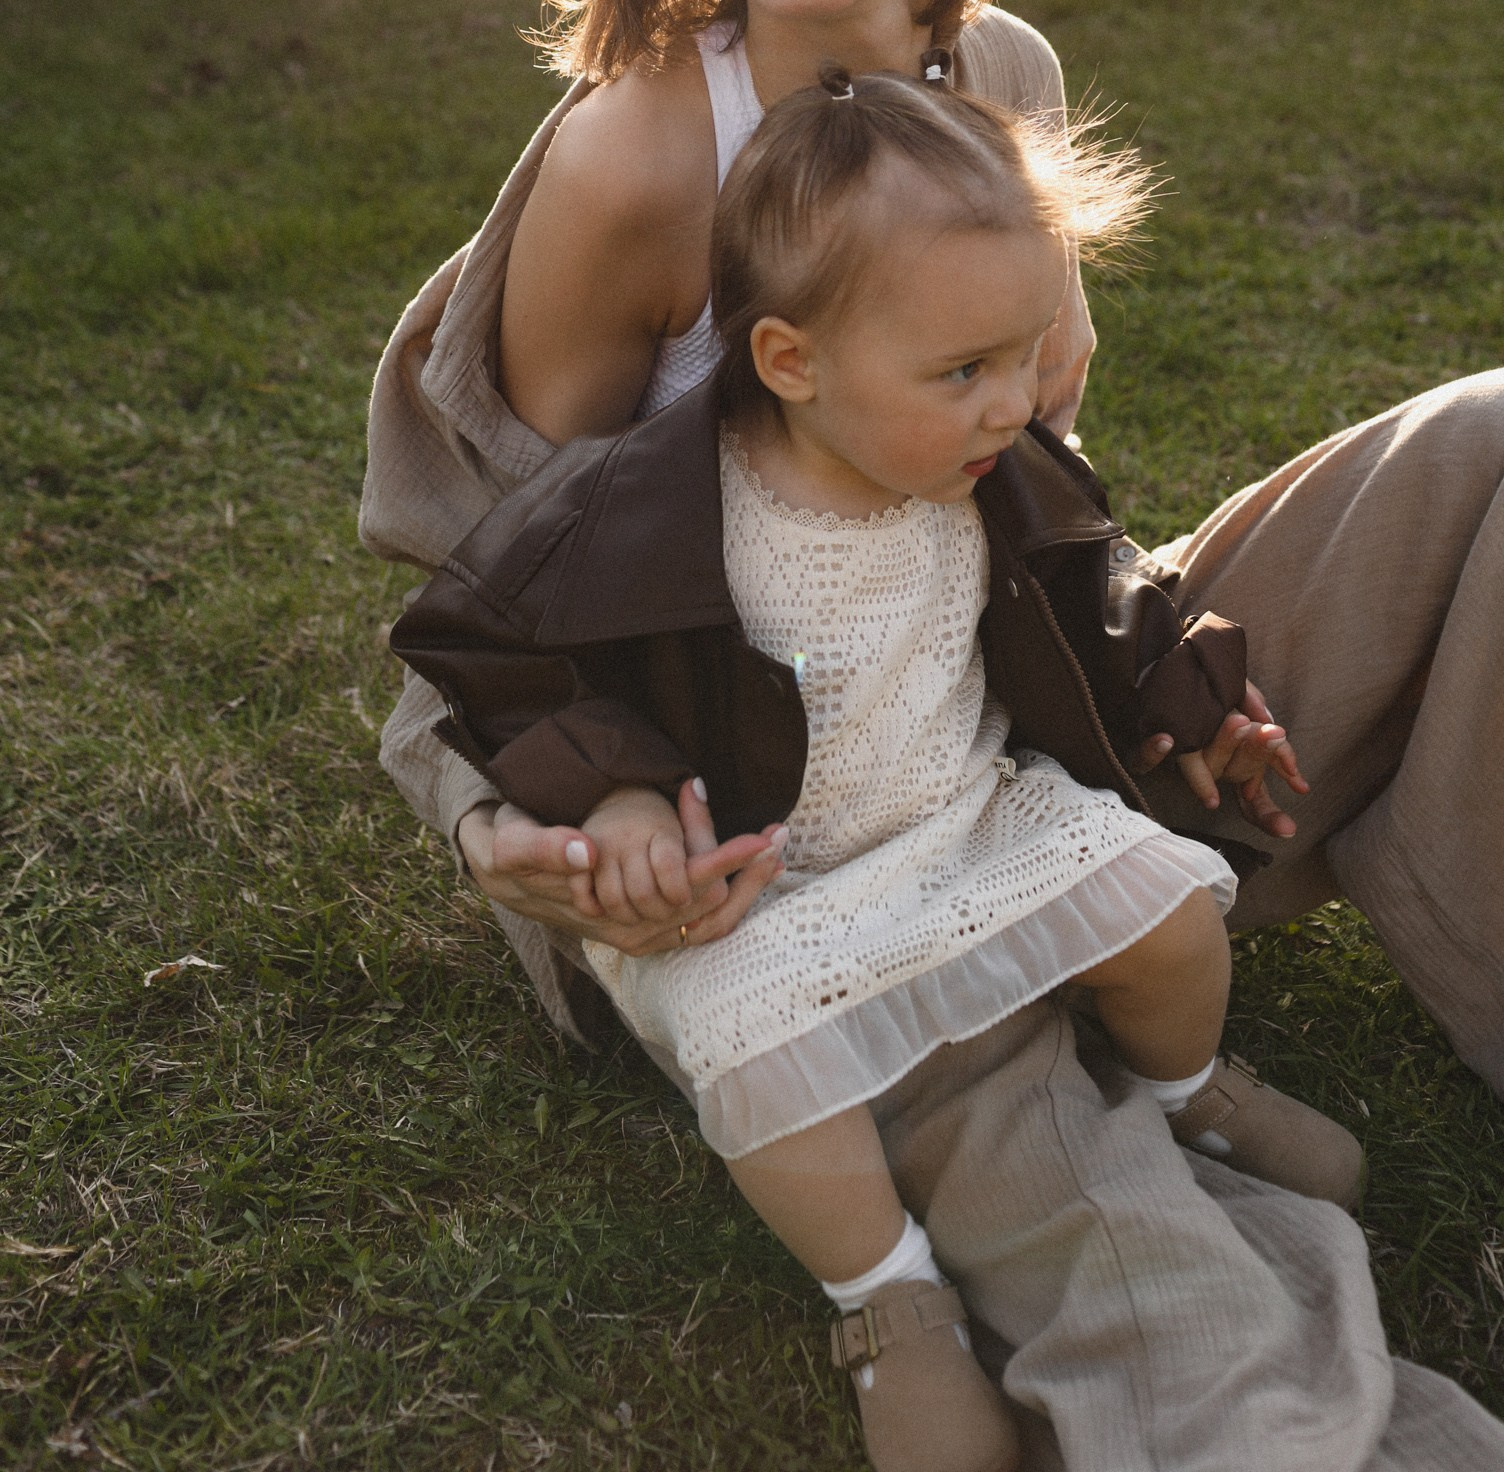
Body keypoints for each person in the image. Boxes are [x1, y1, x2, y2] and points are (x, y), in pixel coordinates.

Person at [365, 0, 1504, 1468]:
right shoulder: (629, 163)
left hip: (999, 703)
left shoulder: (995, 71)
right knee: (1158, 1290)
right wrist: (512, 829)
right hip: (747, 852)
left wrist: (1173, 665)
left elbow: (1038, 493)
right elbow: (479, 601)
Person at [390, 73, 1363, 1472]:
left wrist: (1190, 695)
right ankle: (886, 1302)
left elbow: (1103, 582)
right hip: (761, 888)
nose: (1016, 403)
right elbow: (496, 658)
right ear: (790, 363)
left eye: (1030, 352)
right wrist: (613, 797)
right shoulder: (647, 513)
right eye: (964, 371)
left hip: (963, 814)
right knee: (768, 1072)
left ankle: (1187, 1089)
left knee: (1163, 906)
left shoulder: (992, 463)